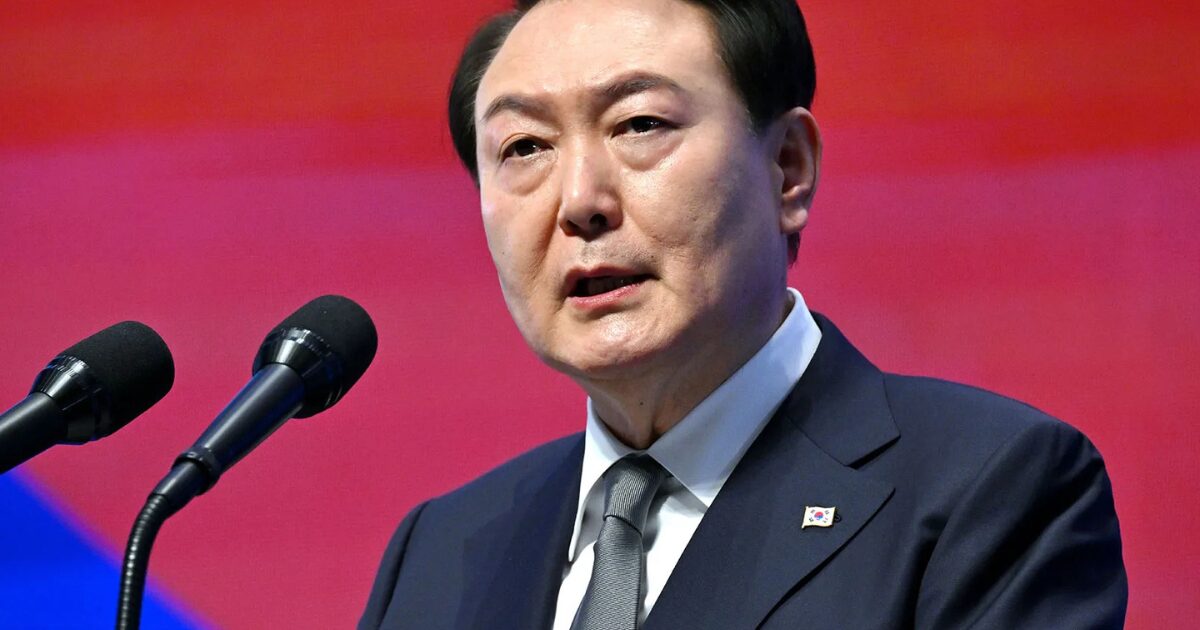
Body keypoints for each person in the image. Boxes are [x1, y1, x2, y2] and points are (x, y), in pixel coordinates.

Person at [360, 0, 1127, 628]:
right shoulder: (438, 554)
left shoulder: (989, 490)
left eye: (638, 125)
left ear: (788, 167)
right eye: (526, 147)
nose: (580, 201)